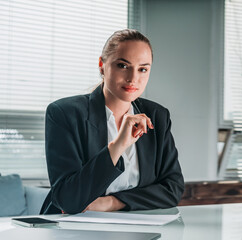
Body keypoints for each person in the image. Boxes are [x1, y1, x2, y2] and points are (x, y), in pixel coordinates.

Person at [40, 29, 184, 214]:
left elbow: (172, 190)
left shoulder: (157, 115)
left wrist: (111, 203)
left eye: (142, 69)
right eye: (123, 66)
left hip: (139, 226)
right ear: (102, 65)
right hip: (72, 228)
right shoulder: (64, 113)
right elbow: (68, 199)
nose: (133, 78)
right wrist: (118, 145)